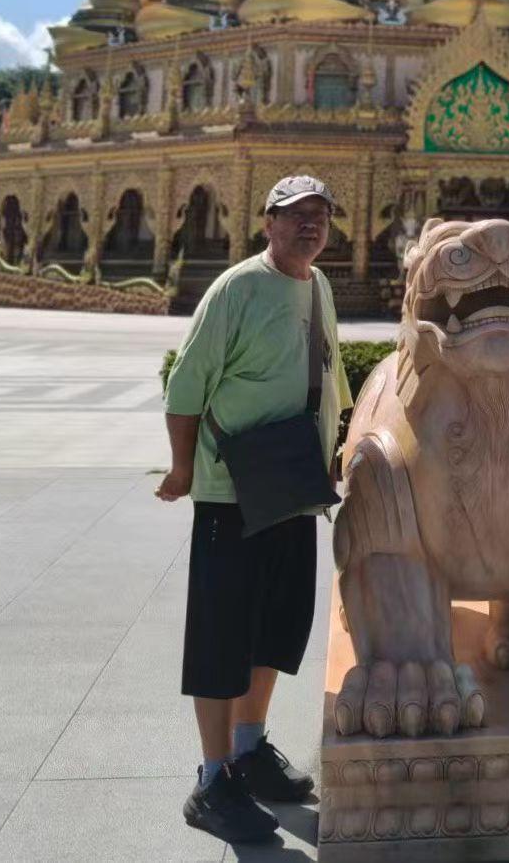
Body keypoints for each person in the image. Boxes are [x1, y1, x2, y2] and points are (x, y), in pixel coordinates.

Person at [157, 175, 352, 844]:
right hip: (232, 487)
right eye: (295, 215)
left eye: (320, 215)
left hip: (292, 482)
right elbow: (186, 386)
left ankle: (248, 747)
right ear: (268, 222)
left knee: (276, 623)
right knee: (223, 635)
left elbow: (329, 376)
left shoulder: (318, 286)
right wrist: (183, 468)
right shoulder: (237, 288)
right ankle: (213, 780)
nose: (310, 225)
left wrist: (334, 450)